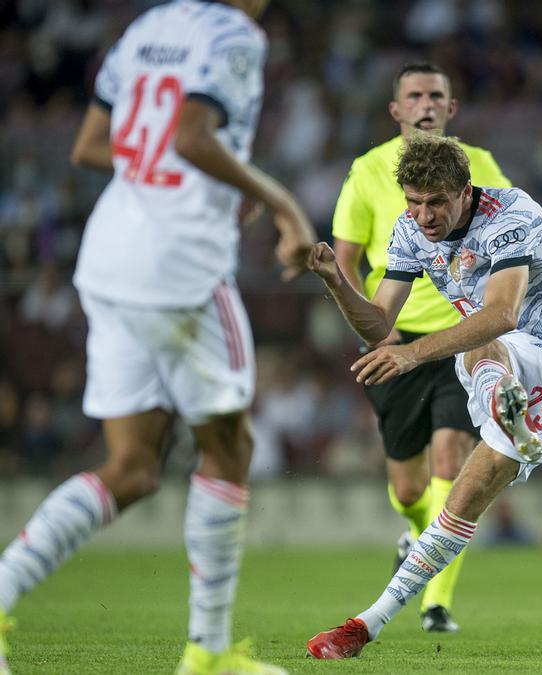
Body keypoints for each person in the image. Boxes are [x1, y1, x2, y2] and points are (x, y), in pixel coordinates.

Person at [0, 1, 316, 673]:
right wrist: (281, 203)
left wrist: (187, 177)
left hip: (110, 258)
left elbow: (91, 145)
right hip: (181, 266)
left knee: (134, 468)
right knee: (229, 446)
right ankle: (208, 652)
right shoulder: (235, 34)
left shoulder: (146, 29)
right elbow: (193, 138)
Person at [304, 132, 542, 660]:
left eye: (436, 201)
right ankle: (365, 625)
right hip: (491, 359)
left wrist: (412, 355)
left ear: (464, 190)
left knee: (480, 338)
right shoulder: (410, 231)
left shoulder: (511, 213)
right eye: (414, 201)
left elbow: (503, 313)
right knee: (459, 502)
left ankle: (512, 410)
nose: (424, 215)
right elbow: (378, 325)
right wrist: (336, 283)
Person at [330, 62, 510, 633]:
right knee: (408, 486)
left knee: (449, 459)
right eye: (415, 95)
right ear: (397, 109)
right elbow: (346, 257)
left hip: (463, 338)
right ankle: (414, 528)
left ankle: (436, 602)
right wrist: (368, 326)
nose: (427, 104)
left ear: (451, 108)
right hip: (398, 341)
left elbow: (507, 236)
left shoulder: (480, 166)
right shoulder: (367, 170)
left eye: (437, 94)